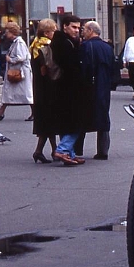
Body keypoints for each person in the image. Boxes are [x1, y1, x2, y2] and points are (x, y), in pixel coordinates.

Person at [50, 14, 86, 165]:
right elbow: (71, 67)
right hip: (69, 89)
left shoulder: (65, 41)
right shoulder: (64, 44)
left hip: (64, 88)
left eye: (78, 27)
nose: (76, 30)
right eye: (73, 27)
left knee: (69, 122)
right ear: (65, 26)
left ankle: (69, 153)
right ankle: (63, 149)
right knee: (76, 122)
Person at [78, 20, 114, 160]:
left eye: (84, 29)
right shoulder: (107, 47)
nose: (82, 32)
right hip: (104, 86)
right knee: (103, 116)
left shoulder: (86, 46)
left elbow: (83, 68)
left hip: (89, 86)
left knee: (82, 116)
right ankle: (103, 150)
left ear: (90, 31)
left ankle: (77, 148)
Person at [0, 21, 33, 120]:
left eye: (7, 32)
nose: (6, 34)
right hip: (16, 71)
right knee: (8, 91)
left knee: (26, 93)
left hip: (20, 72)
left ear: (12, 32)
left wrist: (10, 60)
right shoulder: (16, 43)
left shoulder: (19, 43)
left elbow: (21, 57)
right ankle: (1, 111)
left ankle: (34, 112)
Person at [29, 18, 58, 163]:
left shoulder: (35, 44)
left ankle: (47, 150)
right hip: (47, 87)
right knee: (49, 119)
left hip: (39, 87)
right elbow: (47, 68)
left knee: (47, 121)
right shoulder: (46, 46)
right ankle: (50, 150)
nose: (55, 33)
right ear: (47, 32)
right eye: (53, 30)